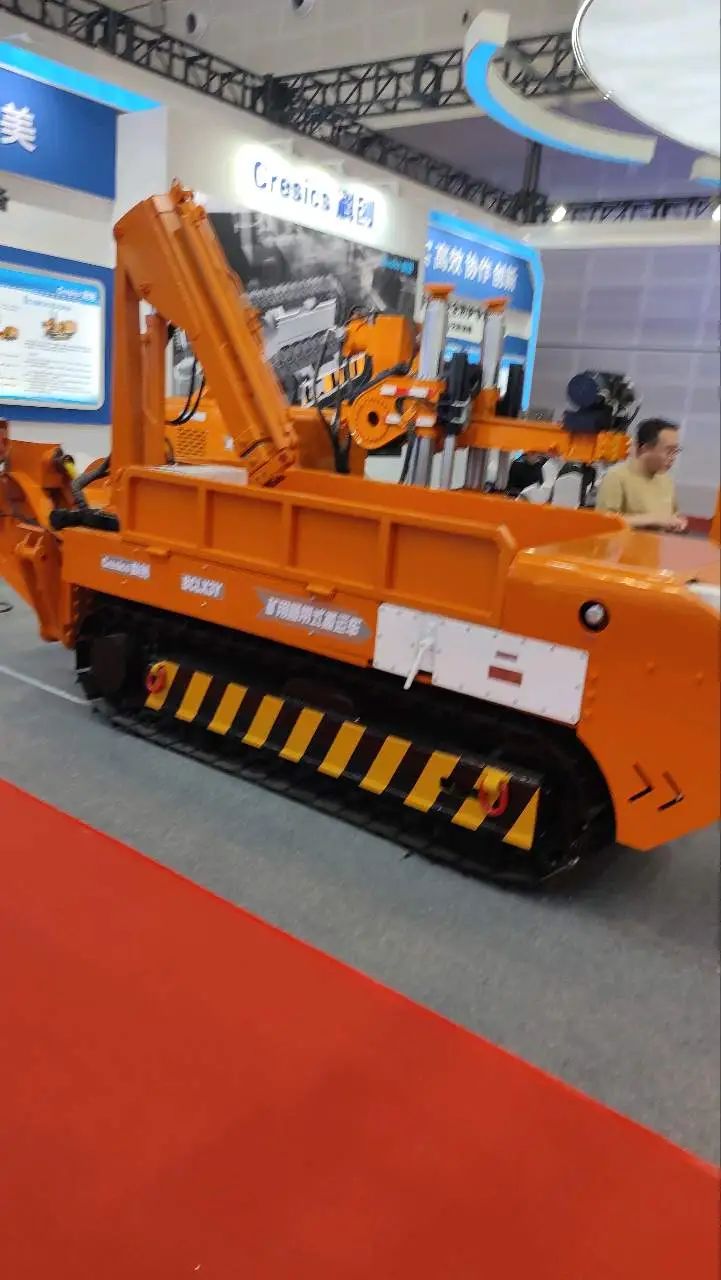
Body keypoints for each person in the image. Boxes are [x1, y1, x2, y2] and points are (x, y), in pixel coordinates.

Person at [596, 418, 687, 531]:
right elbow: (605, 522)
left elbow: (673, 515)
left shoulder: (666, 480)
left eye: (676, 451)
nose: (673, 458)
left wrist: (678, 522)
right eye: (668, 450)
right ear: (645, 449)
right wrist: (652, 519)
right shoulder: (616, 476)